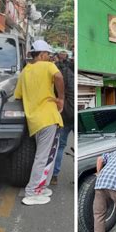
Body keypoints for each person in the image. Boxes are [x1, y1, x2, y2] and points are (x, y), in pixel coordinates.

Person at [15, 40, 64, 205]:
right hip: (49, 118)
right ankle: (33, 191)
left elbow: (18, 96)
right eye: (48, 55)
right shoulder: (48, 66)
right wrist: (61, 99)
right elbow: (58, 76)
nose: (50, 58)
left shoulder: (25, 72)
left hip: (34, 120)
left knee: (43, 156)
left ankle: (41, 187)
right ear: (42, 54)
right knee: (45, 157)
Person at [51, 50, 74, 185]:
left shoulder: (55, 80)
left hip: (63, 115)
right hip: (74, 114)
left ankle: (54, 175)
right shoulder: (71, 75)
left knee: (60, 146)